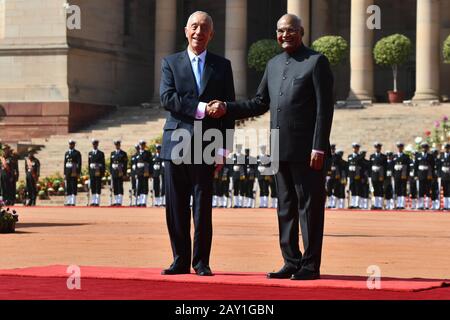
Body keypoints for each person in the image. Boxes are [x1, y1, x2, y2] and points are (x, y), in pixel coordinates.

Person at [209, 14, 334, 280]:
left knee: (309, 207)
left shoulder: (316, 62)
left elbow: (325, 109)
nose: (284, 35)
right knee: (285, 206)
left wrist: (319, 147)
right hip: (279, 148)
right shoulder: (274, 64)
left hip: (308, 151)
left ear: (301, 31)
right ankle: (291, 260)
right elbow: (258, 102)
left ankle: (310, 265)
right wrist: (227, 108)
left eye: (290, 30)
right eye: (280, 31)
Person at [159, 11, 235, 276]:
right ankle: (180, 259)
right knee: (176, 206)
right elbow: (167, 98)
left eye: (204, 28)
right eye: (194, 27)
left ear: (211, 34)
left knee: (203, 208)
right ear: (185, 30)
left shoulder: (222, 66)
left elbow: (229, 109)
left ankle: (201, 262)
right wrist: (202, 107)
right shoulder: (170, 63)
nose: (198, 32)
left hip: (208, 145)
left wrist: (225, 148)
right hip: (176, 143)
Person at [415, 142, 435, 210]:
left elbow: (432, 166)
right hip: (420, 174)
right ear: (421, 148)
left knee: (427, 190)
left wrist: (432, 175)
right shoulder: (418, 155)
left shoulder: (430, 156)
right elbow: (415, 166)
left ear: (427, 148)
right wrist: (416, 175)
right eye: (423, 147)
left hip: (428, 174)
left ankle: (427, 205)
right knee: (420, 190)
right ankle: (420, 205)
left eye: (426, 147)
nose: (424, 149)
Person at [110, 140, 128, 206]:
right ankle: (116, 200)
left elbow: (125, 164)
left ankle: (120, 201)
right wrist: (111, 172)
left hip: (120, 171)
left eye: (118, 144)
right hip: (114, 171)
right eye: (116, 145)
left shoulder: (123, 153)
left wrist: (124, 173)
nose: (117, 146)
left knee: (120, 185)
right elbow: (111, 163)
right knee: (115, 186)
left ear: (119, 145)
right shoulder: (112, 153)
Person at [369, 142, 387, 210]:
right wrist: (370, 176)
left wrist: (383, 176)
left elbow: (385, 167)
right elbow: (370, 166)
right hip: (374, 175)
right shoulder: (372, 156)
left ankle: (380, 205)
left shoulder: (383, 157)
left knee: (380, 190)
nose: (377, 149)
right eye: (376, 147)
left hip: (380, 175)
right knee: (375, 190)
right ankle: (376, 204)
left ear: (380, 148)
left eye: (379, 147)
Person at [392, 142, 410, 209]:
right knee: (397, 189)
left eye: (401, 147)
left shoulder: (406, 156)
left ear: (403, 148)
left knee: (403, 189)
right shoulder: (394, 156)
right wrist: (393, 175)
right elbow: (392, 167)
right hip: (396, 175)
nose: (400, 148)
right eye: (399, 147)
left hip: (403, 175)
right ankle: (398, 204)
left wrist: (407, 175)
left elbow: (408, 167)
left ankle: (402, 204)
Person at [88, 139, 106, 207]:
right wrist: (89, 172)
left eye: (95, 144)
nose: (94, 145)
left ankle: (97, 201)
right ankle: (93, 201)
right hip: (92, 171)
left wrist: (102, 172)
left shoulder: (101, 153)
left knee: (97, 186)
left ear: (97, 145)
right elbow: (89, 163)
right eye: (93, 144)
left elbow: (103, 163)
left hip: (98, 171)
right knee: (93, 186)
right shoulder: (90, 153)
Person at [135, 140, 153, 207]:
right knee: (139, 187)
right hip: (139, 172)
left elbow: (150, 163)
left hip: (145, 171)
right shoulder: (137, 153)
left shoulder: (147, 153)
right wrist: (135, 173)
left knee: (145, 186)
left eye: (143, 145)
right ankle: (139, 202)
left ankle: (144, 202)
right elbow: (135, 164)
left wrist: (150, 173)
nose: (142, 146)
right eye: (141, 144)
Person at [64, 140, 82, 206]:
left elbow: (79, 163)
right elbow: (65, 163)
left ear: (74, 145)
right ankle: (68, 201)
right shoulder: (66, 153)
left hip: (74, 169)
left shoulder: (77, 153)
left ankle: (73, 201)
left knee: (73, 185)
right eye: (70, 144)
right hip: (68, 170)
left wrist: (78, 172)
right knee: (68, 186)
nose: (71, 145)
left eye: (72, 144)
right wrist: (64, 173)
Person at [348, 143, 363, 209]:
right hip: (351, 175)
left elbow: (362, 167)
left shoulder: (360, 157)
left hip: (357, 175)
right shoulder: (350, 156)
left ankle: (357, 204)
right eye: (354, 148)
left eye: (356, 148)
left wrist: (361, 176)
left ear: (358, 149)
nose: (355, 149)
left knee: (357, 189)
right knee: (352, 189)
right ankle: (353, 204)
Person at [230, 144, 246, 208]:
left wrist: (245, 175)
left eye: (240, 148)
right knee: (235, 189)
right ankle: (236, 204)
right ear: (236, 149)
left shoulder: (243, 156)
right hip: (235, 175)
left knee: (241, 189)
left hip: (241, 174)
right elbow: (230, 166)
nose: (238, 149)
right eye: (237, 148)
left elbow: (244, 166)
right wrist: (231, 175)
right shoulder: (233, 156)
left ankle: (241, 204)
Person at [439, 143, 450, 210]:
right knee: (445, 190)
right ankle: (445, 206)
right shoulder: (441, 156)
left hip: (449, 175)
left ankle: (449, 205)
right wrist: (439, 175)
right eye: (446, 148)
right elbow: (439, 166)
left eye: (448, 148)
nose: (446, 149)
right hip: (443, 176)